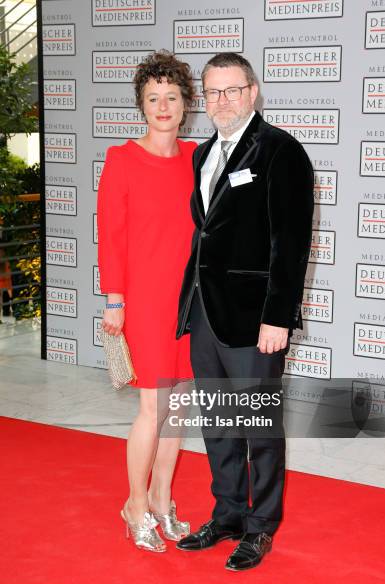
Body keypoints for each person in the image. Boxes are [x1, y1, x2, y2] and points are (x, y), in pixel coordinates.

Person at [176, 52, 314, 570]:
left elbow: (291, 242)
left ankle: (261, 526)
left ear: (252, 92)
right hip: (206, 315)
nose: (221, 101)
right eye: (212, 92)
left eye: (231, 90)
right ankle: (229, 512)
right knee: (218, 422)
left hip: (256, 319)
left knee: (258, 426)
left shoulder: (281, 151)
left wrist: (278, 316)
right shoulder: (203, 154)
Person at [97, 51, 196, 553]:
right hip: (144, 302)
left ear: (185, 105)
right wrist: (114, 300)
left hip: (188, 302)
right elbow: (110, 235)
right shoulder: (121, 159)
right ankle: (134, 504)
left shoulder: (198, 158)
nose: (163, 106)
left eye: (172, 97)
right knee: (153, 406)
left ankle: (161, 499)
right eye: (153, 97)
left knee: (177, 407)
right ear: (141, 104)